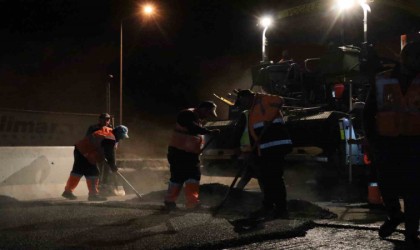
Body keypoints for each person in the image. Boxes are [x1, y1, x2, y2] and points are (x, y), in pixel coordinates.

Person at [363, 41, 420, 248]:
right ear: (405, 58)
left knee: (414, 191)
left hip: (415, 145)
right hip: (387, 143)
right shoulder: (382, 80)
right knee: (388, 187)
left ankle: (412, 232)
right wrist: (372, 140)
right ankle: (395, 215)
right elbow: (369, 114)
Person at [235, 89, 293, 220]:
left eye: (242, 101)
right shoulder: (252, 110)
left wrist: (262, 99)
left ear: (247, 97)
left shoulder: (263, 100)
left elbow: (280, 100)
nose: (242, 105)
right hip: (265, 149)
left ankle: (281, 209)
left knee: (275, 179)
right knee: (267, 179)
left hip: (276, 146)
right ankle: (268, 206)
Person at [163, 101, 220, 210]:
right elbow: (192, 128)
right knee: (179, 177)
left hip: (189, 155)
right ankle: (171, 202)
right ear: (203, 109)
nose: (207, 116)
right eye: (208, 113)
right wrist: (209, 132)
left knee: (192, 177)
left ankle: (191, 203)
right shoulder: (187, 114)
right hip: (179, 153)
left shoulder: (197, 119)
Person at [62, 125, 129, 201]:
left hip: (80, 149)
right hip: (86, 151)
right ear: (118, 133)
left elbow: (103, 149)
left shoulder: (107, 133)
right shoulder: (110, 138)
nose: (121, 139)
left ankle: (67, 191)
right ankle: (93, 195)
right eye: (121, 136)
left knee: (78, 171)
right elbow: (109, 153)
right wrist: (113, 165)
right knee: (93, 173)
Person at [232, 109, 263, 192]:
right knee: (260, 172)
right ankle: (266, 195)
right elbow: (237, 131)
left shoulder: (261, 113)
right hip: (250, 150)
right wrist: (236, 147)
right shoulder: (247, 114)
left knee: (248, 172)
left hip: (255, 150)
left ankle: (237, 191)